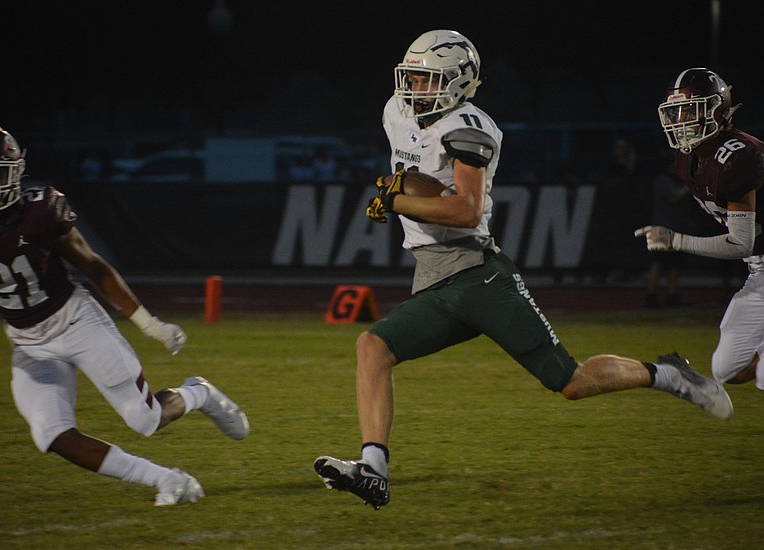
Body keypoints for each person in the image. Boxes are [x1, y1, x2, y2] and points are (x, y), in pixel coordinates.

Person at [313, 32, 732, 511]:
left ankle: (669, 376)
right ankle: (375, 471)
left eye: (427, 79)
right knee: (373, 346)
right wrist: (404, 186)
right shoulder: (396, 110)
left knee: (569, 382)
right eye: (412, 75)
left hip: (478, 276)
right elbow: (421, 176)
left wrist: (397, 199)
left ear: (458, 83)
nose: (414, 86)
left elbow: (467, 211)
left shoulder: (471, 127)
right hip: (435, 279)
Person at [0, 124, 249, 506]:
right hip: (29, 344)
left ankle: (200, 393)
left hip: (77, 321)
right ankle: (169, 481)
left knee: (144, 420)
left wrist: (149, 323)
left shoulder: (40, 210)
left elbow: (95, 267)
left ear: (14, 173)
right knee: (50, 434)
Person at [636, 68, 764, 389]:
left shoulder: (739, 157)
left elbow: (740, 243)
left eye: (691, 110)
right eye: (676, 111)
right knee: (727, 369)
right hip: (759, 270)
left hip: (754, 258)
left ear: (718, 111)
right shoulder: (686, 161)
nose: (682, 120)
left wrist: (675, 240)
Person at [643, 152, 700, 308]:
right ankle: (651, 296)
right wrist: (691, 185)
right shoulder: (662, 180)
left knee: (674, 264)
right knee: (658, 262)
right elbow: (674, 198)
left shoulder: (674, 180)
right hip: (661, 228)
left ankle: (672, 295)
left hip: (675, 228)